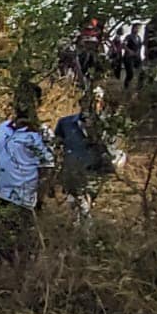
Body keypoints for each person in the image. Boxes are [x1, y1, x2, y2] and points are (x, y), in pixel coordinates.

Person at [0, 86, 54, 268]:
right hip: (1, 196)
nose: (23, 104)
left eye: (29, 100)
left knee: (25, 248)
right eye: (20, 99)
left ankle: (22, 284)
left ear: (38, 104)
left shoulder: (41, 134)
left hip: (24, 200)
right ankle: (4, 281)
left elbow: (46, 170)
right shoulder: (4, 128)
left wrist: (39, 201)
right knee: (3, 244)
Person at [53, 89, 114, 228]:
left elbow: (111, 152)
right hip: (72, 171)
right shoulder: (66, 123)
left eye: (96, 102)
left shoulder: (105, 127)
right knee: (75, 208)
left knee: (85, 207)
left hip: (93, 173)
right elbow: (57, 145)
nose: (92, 106)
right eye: (88, 102)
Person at [123, 24, 144, 88]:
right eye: (136, 28)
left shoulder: (139, 37)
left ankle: (139, 87)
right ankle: (126, 86)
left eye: (139, 28)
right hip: (129, 57)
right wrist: (129, 51)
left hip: (137, 57)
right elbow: (124, 45)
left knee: (142, 71)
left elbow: (140, 47)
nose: (137, 30)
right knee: (130, 74)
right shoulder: (128, 36)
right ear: (133, 28)